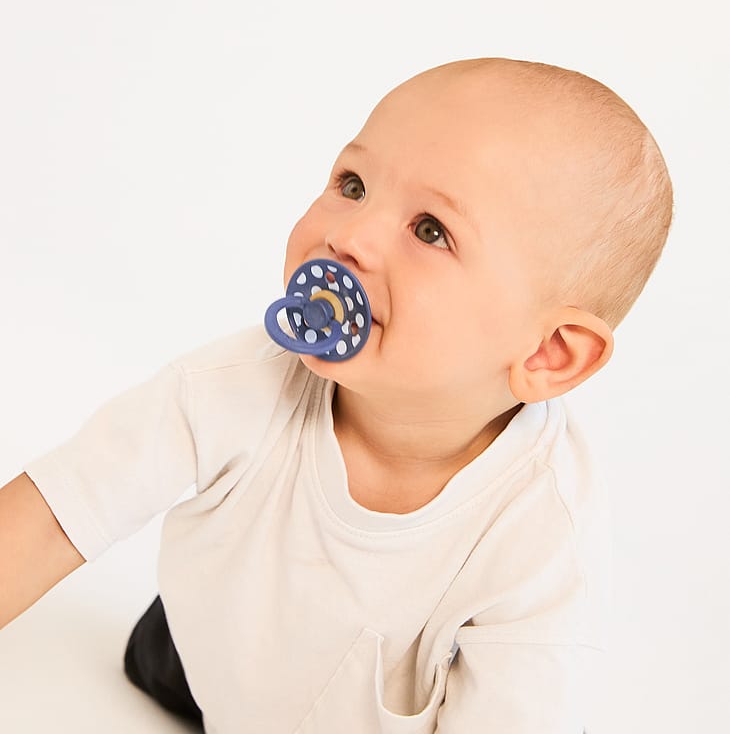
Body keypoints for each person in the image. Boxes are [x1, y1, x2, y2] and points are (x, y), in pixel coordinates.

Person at [0, 57, 674, 733]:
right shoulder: (238, 382)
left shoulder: (540, 540)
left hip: (358, 707)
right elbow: (59, 512)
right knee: (164, 656)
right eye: (353, 185)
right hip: (210, 638)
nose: (348, 236)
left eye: (431, 230)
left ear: (548, 352)